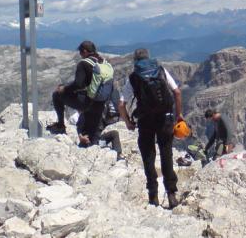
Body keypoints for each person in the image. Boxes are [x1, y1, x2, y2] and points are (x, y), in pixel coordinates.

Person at [118, 48, 184, 209]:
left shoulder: (133, 77)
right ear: (149, 58)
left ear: (135, 61)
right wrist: (179, 115)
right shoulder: (160, 70)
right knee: (166, 154)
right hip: (165, 118)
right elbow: (177, 92)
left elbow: (121, 104)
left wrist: (128, 122)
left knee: (148, 157)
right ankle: (171, 194)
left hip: (145, 120)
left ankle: (153, 195)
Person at [46, 40, 108, 135]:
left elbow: (79, 84)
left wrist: (64, 89)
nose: (80, 54)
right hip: (100, 102)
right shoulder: (102, 62)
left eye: (80, 52)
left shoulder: (83, 64)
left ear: (85, 51)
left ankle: (60, 125)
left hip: (87, 102)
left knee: (56, 95)